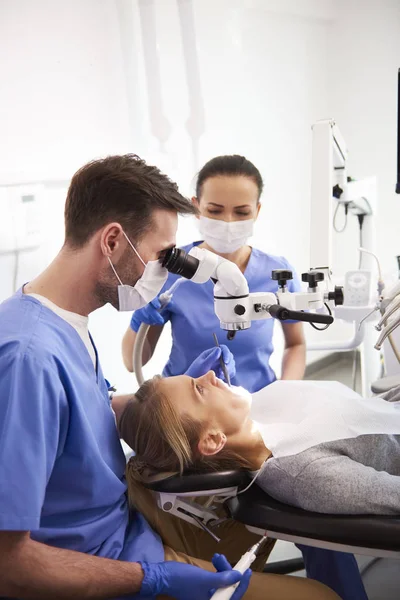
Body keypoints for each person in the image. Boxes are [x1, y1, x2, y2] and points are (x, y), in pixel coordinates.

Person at [0, 154, 337, 600]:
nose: (163, 273)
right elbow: (9, 565)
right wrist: (150, 579)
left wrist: (183, 393)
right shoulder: (29, 358)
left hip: (128, 526)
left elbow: (87, 409)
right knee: (319, 595)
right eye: (163, 258)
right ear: (114, 241)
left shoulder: (61, 322)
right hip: (106, 563)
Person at [122, 155, 306, 392]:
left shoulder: (277, 273)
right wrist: (142, 316)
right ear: (196, 207)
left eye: (241, 212)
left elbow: (296, 344)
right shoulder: (172, 269)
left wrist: (284, 393)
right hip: (186, 408)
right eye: (215, 210)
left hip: (257, 405)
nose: (228, 222)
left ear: (257, 210)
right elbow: (131, 362)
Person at [121, 373, 400, 515]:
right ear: (213, 439)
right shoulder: (305, 473)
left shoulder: (266, 416)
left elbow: (371, 411)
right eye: (200, 388)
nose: (209, 374)